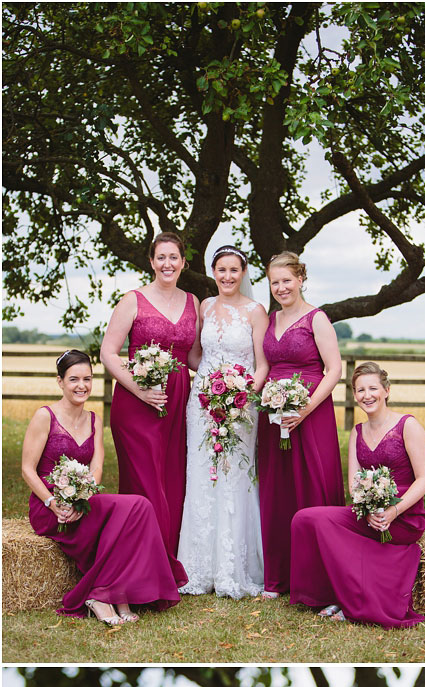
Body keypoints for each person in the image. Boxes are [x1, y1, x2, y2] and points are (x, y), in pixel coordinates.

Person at [21, 349, 185, 624]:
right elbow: (27, 469)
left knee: (139, 506)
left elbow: (96, 468)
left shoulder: (94, 419)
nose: (81, 385)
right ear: (60, 381)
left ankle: (112, 593)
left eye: (87, 378)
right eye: (73, 379)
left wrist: (81, 497)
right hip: (49, 507)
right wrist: (53, 503)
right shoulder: (45, 416)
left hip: (82, 500)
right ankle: (105, 595)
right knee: (128, 513)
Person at [289, 361, 425, 627]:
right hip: (368, 514)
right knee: (305, 519)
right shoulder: (357, 432)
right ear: (354, 395)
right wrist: (366, 512)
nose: (367, 395)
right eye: (360, 390)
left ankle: (354, 600)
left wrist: (393, 511)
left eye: (373, 388)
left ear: (386, 390)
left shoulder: (408, 426)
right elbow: (355, 483)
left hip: (405, 517)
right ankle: (327, 595)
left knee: (330, 526)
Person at [99, 231, 200, 558]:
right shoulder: (132, 300)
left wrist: (229, 375)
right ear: (151, 262)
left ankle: (166, 558)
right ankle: (141, 561)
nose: (167, 264)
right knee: (145, 484)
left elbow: (196, 358)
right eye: (161, 258)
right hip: (136, 404)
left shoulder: (193, 302)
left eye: (174, 258)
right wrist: (140, 390)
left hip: (178, 403)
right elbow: (108, 353)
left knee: (172, 481)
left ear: (184, 263)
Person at [177, 245, 267, 597]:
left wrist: (239, 396)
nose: (227, 276)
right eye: (221, 270)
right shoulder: (206, 306)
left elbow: (262, 364)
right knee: (201, 476)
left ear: (243, 273)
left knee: (234, 475)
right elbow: (197, 354)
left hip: (241, 406)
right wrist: (211, 387)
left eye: (234, 270)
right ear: (213, 272)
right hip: (201, 403)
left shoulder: (256, 312)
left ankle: (233, 569)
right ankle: (198, 567)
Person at [255, 251, 344, 597]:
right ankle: (278, 577)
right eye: (275, 282)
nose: (281, 287)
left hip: (311, 413)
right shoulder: (270, 319)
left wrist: (304, 409)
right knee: (276, 492)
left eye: (287, 280)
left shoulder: (317, 318)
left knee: (312, 488)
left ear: (301, 279)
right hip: (273, 415)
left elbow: (333, 369)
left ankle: (320, 580)